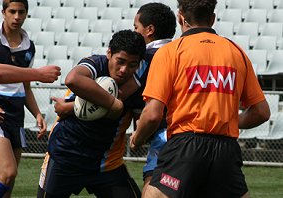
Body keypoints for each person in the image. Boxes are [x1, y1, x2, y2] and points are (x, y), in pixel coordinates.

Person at [130, 0, 270, 197]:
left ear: (181, 17)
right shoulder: (236, 51)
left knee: (153, 194)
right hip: (226, 149)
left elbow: (153, 115)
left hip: (185, 145)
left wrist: (137, 138)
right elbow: (262, 112)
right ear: (212, 19)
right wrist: (224, 121)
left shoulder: (170, 52)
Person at [38, 29, 146, 198]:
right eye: (121, 61)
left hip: (106, 163)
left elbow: (140, 124)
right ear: (109, 53)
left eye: (132, 65)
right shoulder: (96, 64)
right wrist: (113, 104)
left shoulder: (138, 87)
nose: (124, 70)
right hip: (66, 157)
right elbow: (72, 79)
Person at [0, 0, 60, 197]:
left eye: (21, 12)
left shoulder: (29, 47)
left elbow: (24, 84)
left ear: (26, 13)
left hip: (15, 114)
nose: (17, 17)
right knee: (8, 171)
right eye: (12, 11)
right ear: (3, 12)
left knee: (8, 181)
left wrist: (36, 113)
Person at [121, 3, 176, 196]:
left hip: (164, 133)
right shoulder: (182, 53)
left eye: (136, 27)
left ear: (150, 30)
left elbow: (124, 93)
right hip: (191, 132)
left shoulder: (149, 56)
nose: (135, 32)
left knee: (153, 186)